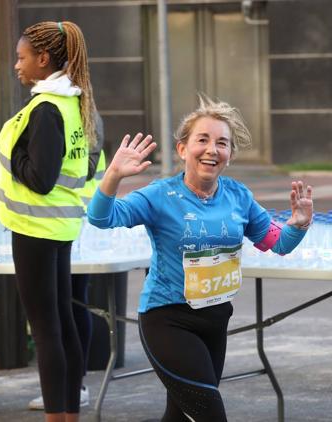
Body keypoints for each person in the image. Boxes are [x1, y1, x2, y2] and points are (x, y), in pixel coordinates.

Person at [87, 95, 314, 421]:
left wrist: (298, 224)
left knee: (179, 415)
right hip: (167, 319)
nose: (212, 149)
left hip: (215, 319)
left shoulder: (238, 196)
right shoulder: (160, 195)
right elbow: (102, 218)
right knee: (210, 415)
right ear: (183, 149)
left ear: (230, 154)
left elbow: (277, 243)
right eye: (202, 140)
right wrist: (113, 176)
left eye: (222, 143)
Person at [0, 21, 98, 422]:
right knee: (63, 322)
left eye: (21, 57)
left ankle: (57, 416)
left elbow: (40, 178)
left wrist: (14, 152)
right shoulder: (73, 103)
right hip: (60, 228)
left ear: (43, 59)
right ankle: (68, 414)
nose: (16, 65)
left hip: (35, 229)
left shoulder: (47, 108)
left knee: (46, 328)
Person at [28, 113, 106, 411]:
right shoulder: (73, 109)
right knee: (66, 305)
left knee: (73, 301)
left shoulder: (82, 113)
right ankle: (68, 386)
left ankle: (77, 385)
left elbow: (84, 168)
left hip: (76, 219)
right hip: (63, 218)